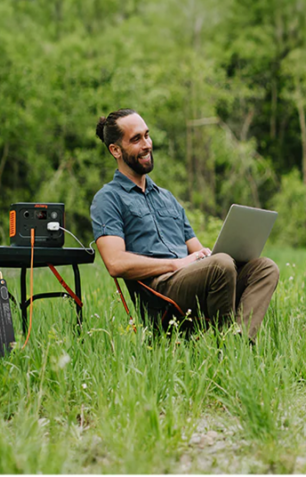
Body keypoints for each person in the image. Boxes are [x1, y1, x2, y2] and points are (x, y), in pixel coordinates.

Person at [89, 109, 279, 344]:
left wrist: (214, 253)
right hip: (160, 291)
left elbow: (197, 248)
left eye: (147, 135)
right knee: (220, 265)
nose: (147, 144)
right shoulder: (108, 199)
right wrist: (177, 263)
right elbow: (115, 263)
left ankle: (238, 344)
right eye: (136, 139)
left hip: (191, 279)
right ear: (115, 150)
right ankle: (225, 347)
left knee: (264, 268)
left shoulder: (166, 197)